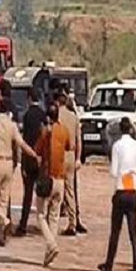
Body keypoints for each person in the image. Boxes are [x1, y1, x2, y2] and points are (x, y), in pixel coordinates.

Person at [0, 97, 40, 247]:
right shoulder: (12, 125)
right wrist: (34, 155)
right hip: (9, 162)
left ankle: (4, 220)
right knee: (3, 200)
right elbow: (21, 144)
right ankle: (0, 235)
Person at [98, 117, 136, 271]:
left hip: (120, 191)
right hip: (133, 190)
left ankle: (109, 267)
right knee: (134, 232)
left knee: (115, 231)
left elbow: (113, 171)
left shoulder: (117, 146)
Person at [34, 102, 72, 267]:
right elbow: (69, 146)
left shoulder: (46, 132)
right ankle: (49, 251)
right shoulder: (64, 130)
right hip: (61, 178)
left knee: (41, 214)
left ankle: (51, 244)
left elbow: (38, 150)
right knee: (54, 216)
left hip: (48, 177)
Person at [16, 88, 47, 237]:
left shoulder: (27, 115)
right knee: (42, 194)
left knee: (27, 194)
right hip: (41, 158)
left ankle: (23, 225)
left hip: (29, 158)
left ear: (28, 99)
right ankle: (43, 225)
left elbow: (25, 140)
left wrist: (22, 161)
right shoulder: (42, 114)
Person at [58, 91, 87, 235]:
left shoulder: (57, 116)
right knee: (70, 190)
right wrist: (78, 158)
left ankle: (50, 219)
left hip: (59, 154)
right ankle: (73, 221)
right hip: (71, 156)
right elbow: (78, 140)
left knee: (56, 188)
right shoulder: (74, 117)